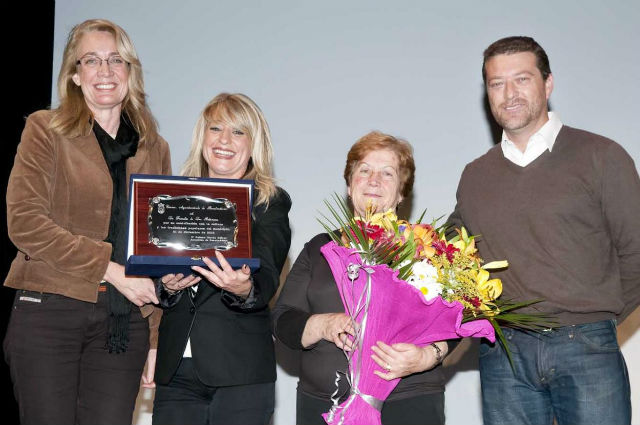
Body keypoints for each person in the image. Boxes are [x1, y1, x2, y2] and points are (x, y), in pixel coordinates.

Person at [447, 36, 639, 425]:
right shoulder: (475, 175)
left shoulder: (601, 156)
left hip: (585, 346)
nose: (509, 93)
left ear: (548, 83)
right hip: (504, 355)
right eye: (497, 83)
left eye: (522, 79)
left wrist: (595, 322)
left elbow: (636, 252)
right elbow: (452, 250)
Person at [3, 19, 172, 425]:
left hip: (125, 322)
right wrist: (111, 269)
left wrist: (154, 339)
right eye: (92, 61)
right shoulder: (45, 129)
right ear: (75, 75)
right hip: (49, 311)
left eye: (117, 60)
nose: (106, 71)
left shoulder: (154, 147)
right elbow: (25, 222)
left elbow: (156, 250)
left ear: (131, 72)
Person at [272, 131, 453, 425]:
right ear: (348, 184)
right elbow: (281, 320)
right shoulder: (320, 248)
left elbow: (457, 322)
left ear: (402, 192)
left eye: (387, 173)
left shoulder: (426, 248)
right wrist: (323, 324)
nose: (373, 180)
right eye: (364, 170)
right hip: (323, 404)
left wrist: (427, 356)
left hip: (410, 404)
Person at [152, 93, 292, 425]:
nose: (224, 140)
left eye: (238, 131)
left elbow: (267, 272)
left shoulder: (269, 202)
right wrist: (167, 287)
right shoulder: (171, 197)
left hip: (239, 371)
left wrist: (244, 289)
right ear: (203, 137)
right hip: (176, 371)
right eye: (215, 128)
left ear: (254, 143)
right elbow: (156, 272)